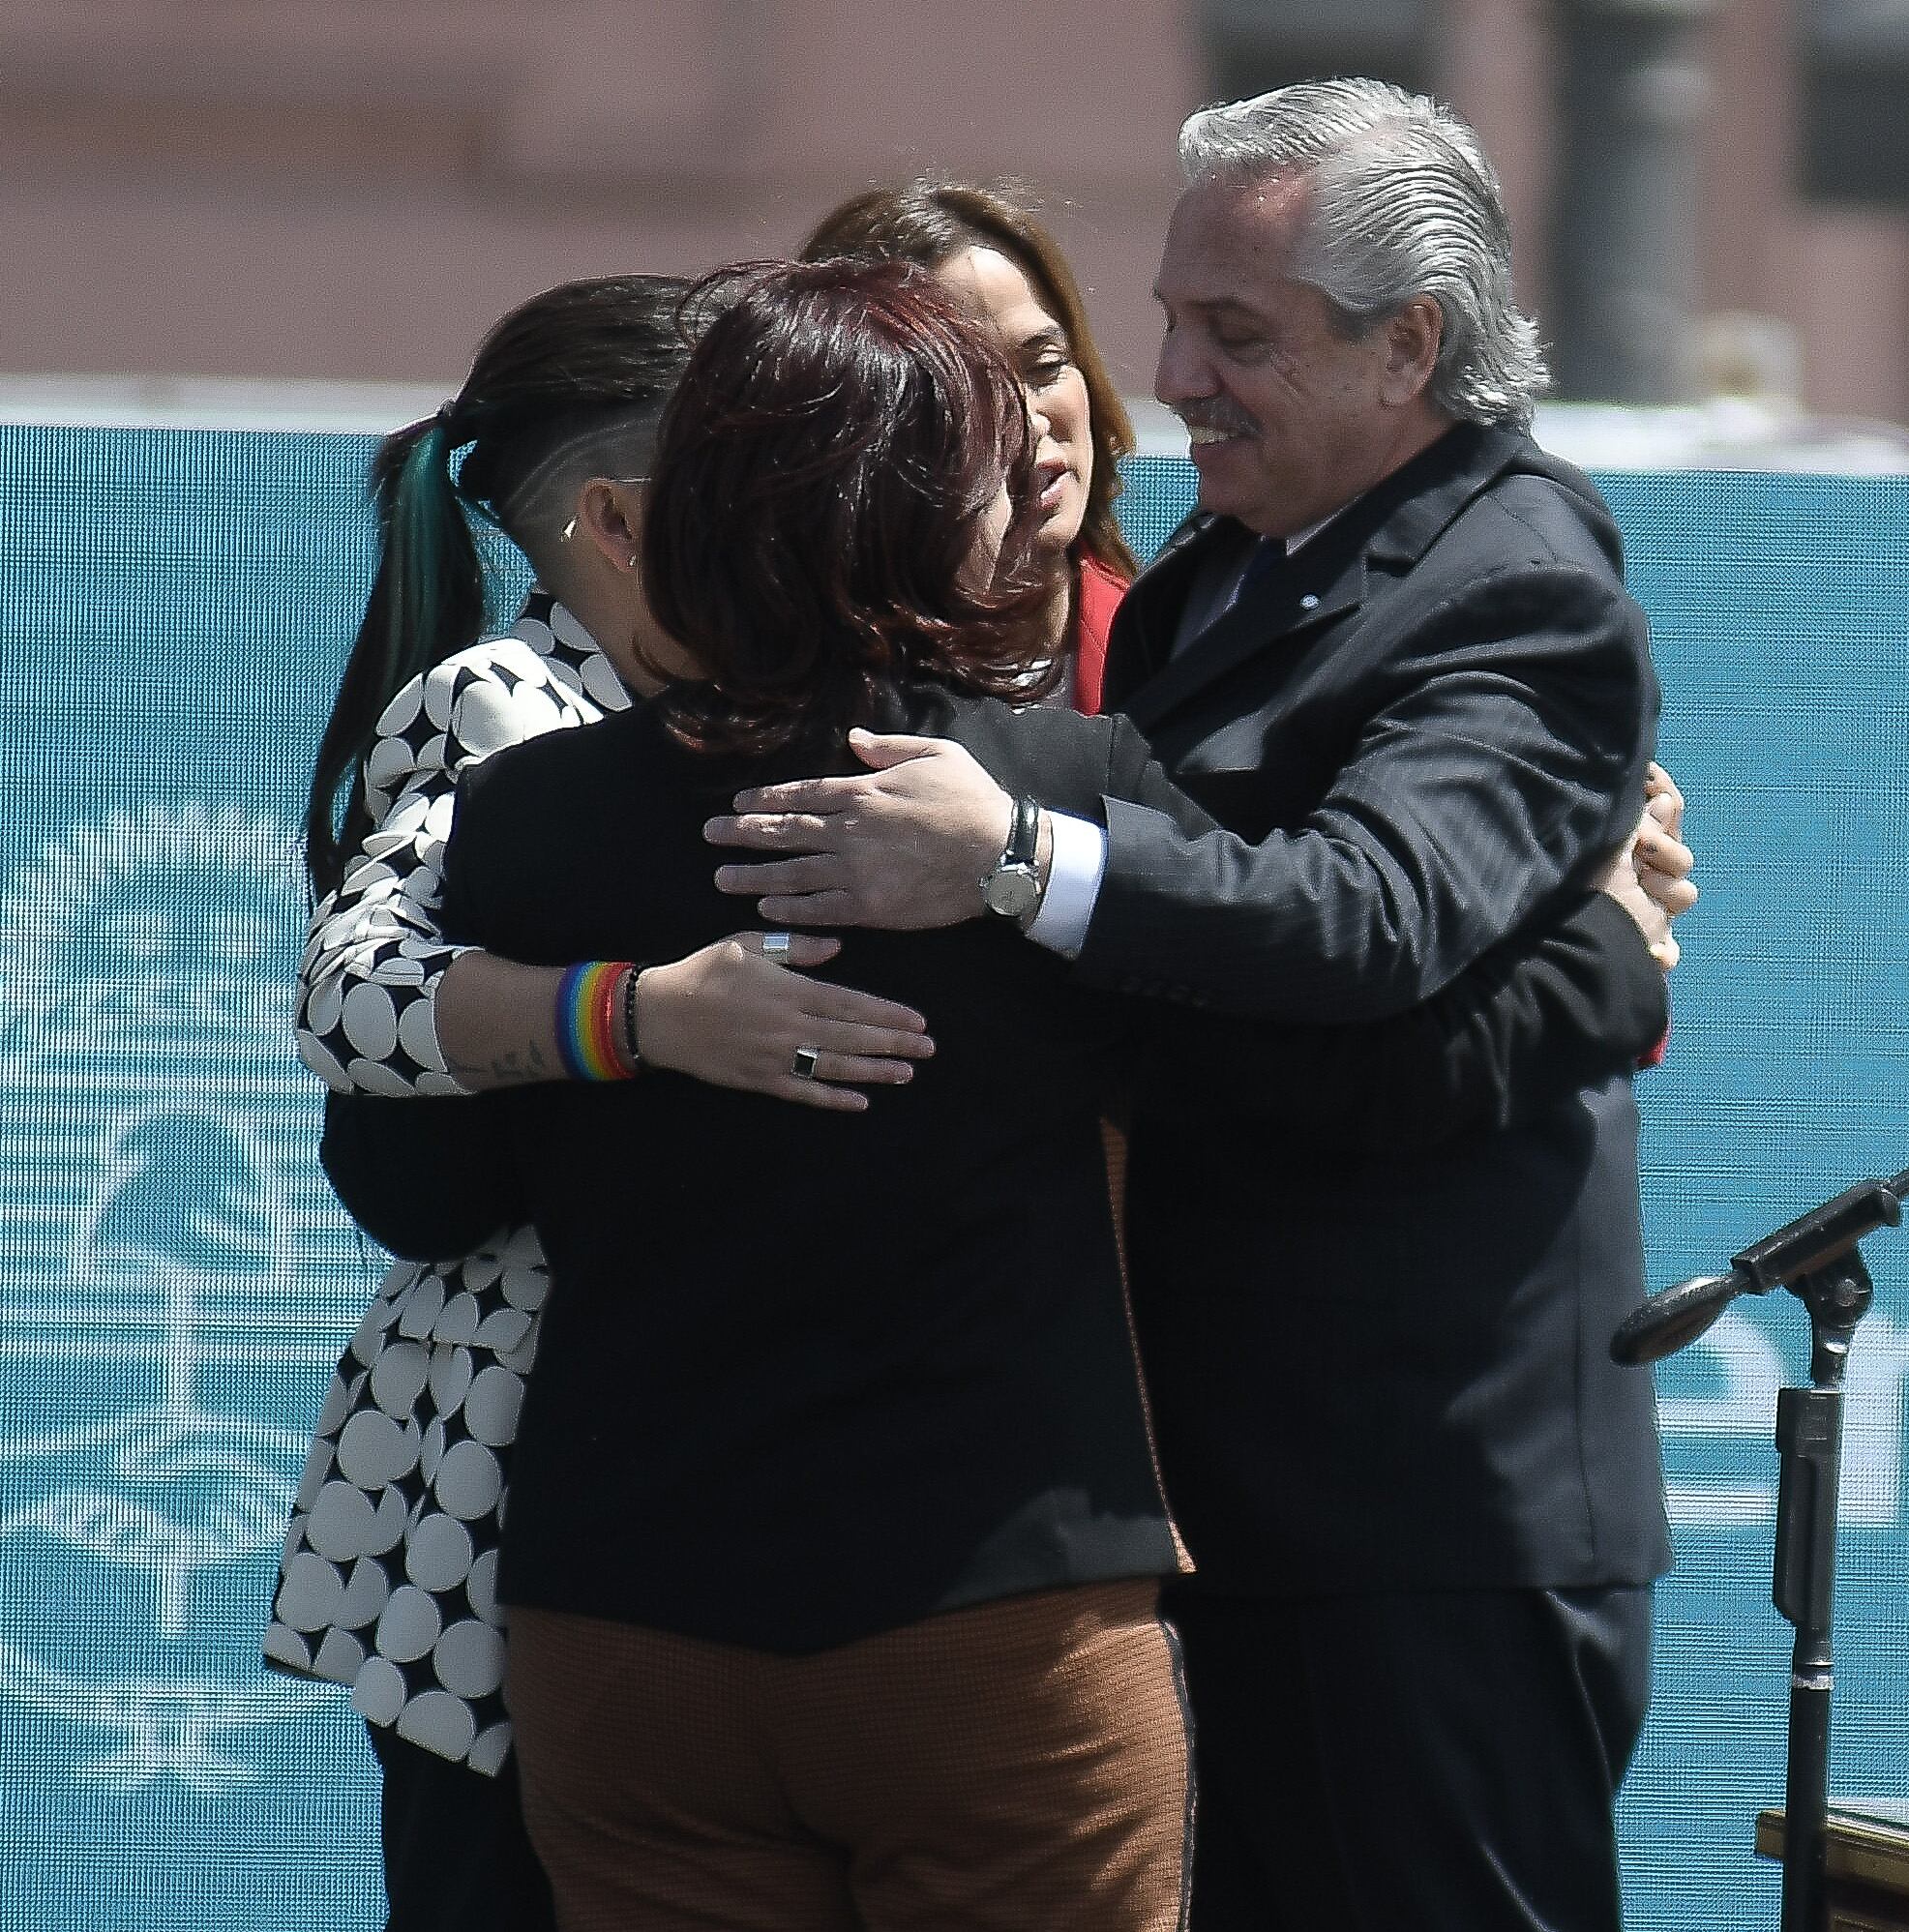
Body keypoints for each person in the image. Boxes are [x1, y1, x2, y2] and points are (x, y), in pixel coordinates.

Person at [421, 256, 1671, 1932]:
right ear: (932, 505)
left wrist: (626, 1024)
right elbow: (1325, 1065)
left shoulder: (527, 821)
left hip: (625, 1621)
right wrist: (1603, 947)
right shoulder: (1060, 788)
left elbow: (412, 1182)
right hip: (989, 1625)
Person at [273, 274, 933, 1932]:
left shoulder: (765, 709)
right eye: (765, 488)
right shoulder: (509, 707)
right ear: (625, 521)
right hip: (512, 1505)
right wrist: (647, 1016)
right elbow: (351, 995)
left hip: (697, 1485)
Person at [799, 180, 1140, 709]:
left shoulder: (1180, 655)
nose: (1025, 423)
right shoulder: (789, 706)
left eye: (1045, 367)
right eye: (967, 393)